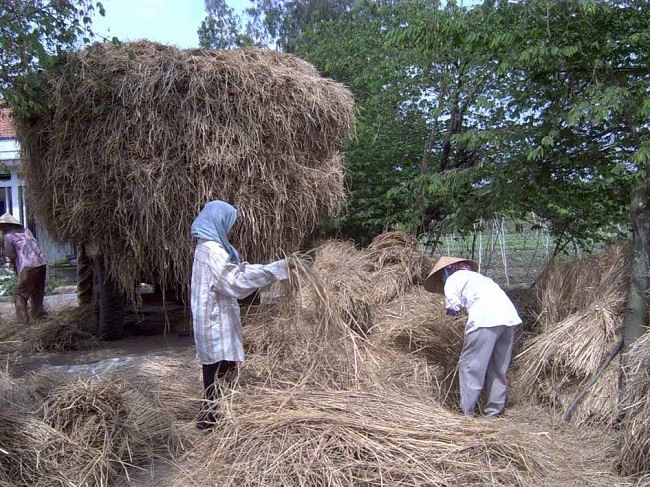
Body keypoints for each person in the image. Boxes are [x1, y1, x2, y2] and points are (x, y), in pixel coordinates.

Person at [190, 200, 292, 430]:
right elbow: (235, 280)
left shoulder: (206, 247)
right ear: (218, 221)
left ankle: (213, 415)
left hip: (211, 317)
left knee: (215, 368)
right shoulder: (212, 251)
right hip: (216, 320)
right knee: (221, 370)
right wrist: (275, 269)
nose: (230, 228)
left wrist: (274, 268)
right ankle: (212, 419)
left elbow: (237, 270)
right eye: (228, 222)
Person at [424, 256, 521, 417]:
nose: (442, 280)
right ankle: (493, 412)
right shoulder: (481, 278)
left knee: (471, 367)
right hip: (509, 318)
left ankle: (467, 413)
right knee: (498, 367)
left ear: (447, 270)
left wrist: (452, 321)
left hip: (485, 320)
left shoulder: (453, 279)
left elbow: (452, 308)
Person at [0, 213, 48, 324]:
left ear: (6, 224)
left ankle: (23, 323)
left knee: (19, 294)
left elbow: (10, 254)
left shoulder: (8, 236)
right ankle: (38, 320)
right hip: (41, 263)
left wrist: (11, 260)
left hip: (28, 266)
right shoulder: (26, 231)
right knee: (37, 293)